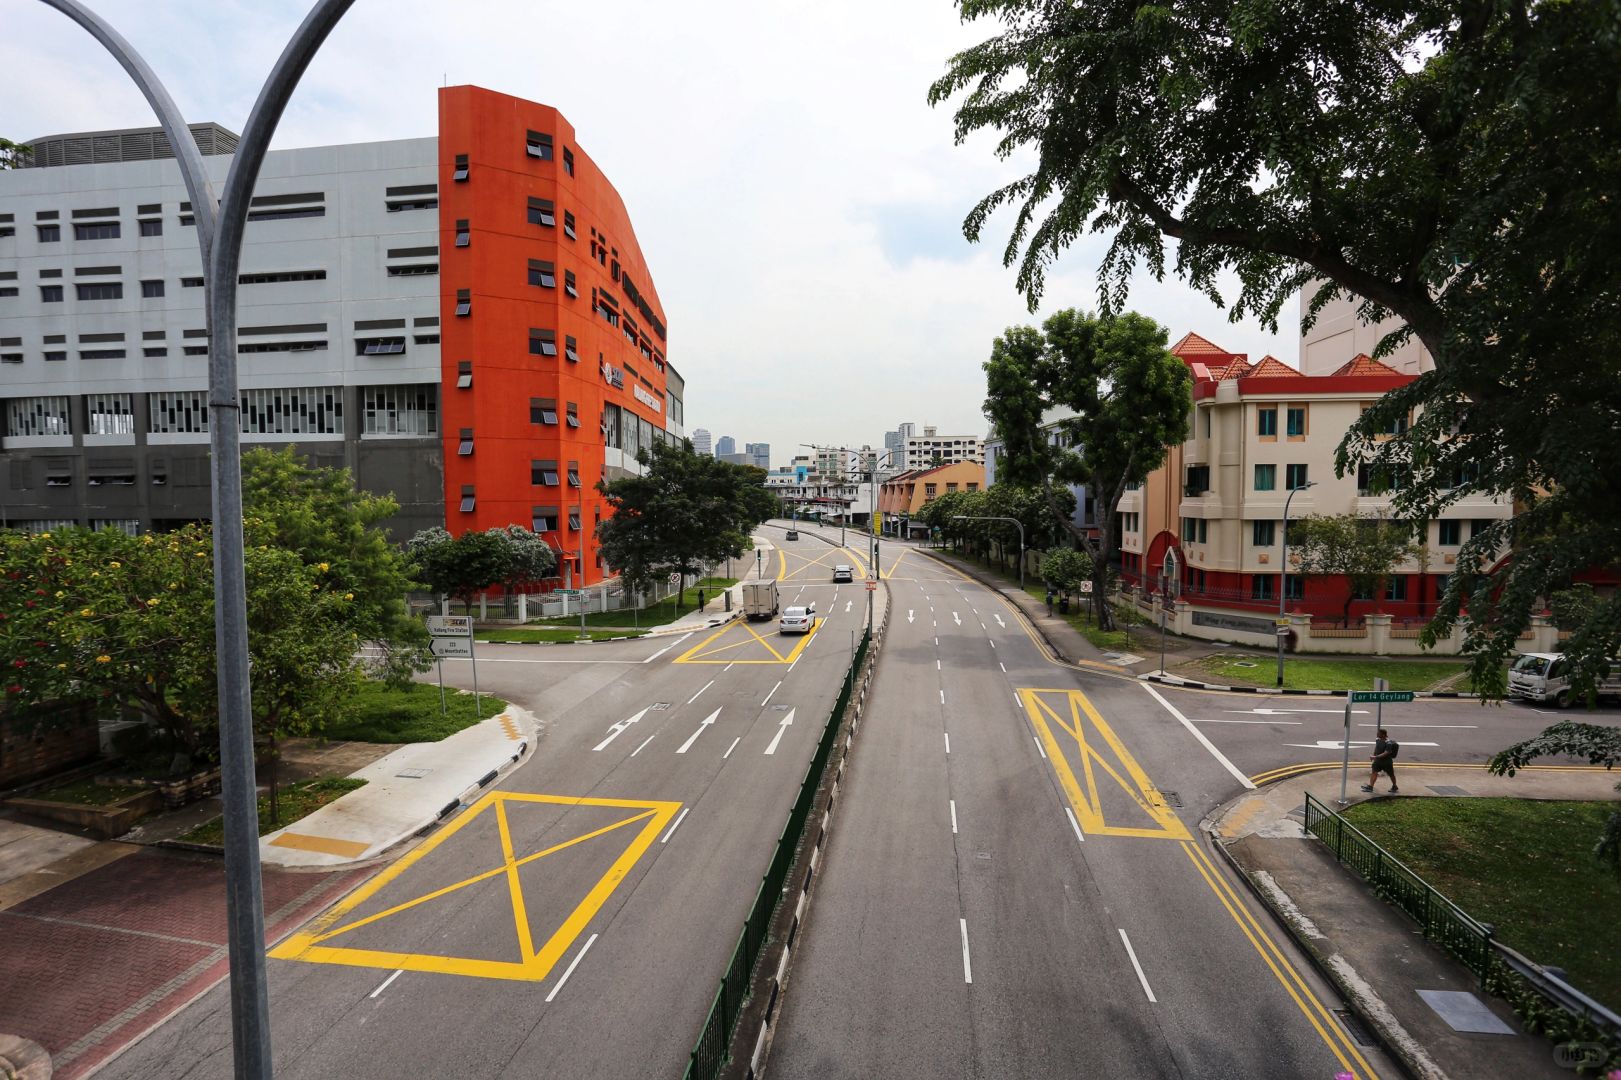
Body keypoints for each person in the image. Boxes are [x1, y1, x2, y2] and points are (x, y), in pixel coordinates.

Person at [1361, 729, 1400, 793]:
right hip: (1378, 761)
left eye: (1379, 733)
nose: (1377, 734)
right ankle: (1370, 787)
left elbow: (1386, 753)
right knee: (1374, 772)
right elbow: (1376, 748)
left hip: (1387, 762)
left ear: (1383, 735)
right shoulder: (1378, 740)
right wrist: (1374, 755)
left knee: (1391, 774)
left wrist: (1375, 757)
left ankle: (1394, 786)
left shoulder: (1388, 743)